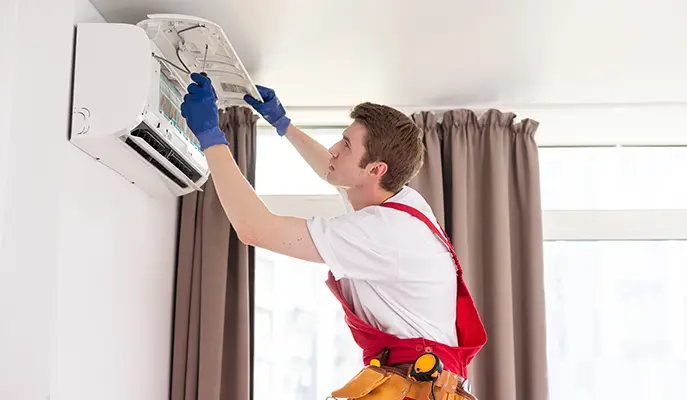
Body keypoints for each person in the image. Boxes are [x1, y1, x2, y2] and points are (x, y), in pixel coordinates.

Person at [180, 73, 487, 400]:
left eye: (346, 146)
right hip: (419, 382)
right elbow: (334, 169)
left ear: (376, 170)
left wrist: (210, 137)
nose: (334, 149)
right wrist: (283, 124)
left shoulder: (384, 232)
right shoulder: (397, 201)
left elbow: (254, 229)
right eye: (342, 139)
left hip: (416, 388)